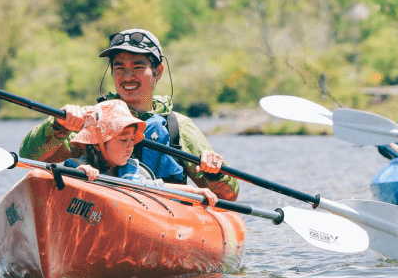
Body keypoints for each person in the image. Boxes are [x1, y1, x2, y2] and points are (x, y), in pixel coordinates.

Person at [19, 28, 237, 199]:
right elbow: (30, 156)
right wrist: (57, 126)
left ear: (158, 71)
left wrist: (212, 170)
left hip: (163, 219)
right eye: (120, 67)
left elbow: (228, 194)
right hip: (100, 211)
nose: (127, 77)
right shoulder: (93, 118)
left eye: (138, 67)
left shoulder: (178, 126)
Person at [61, 100, 159, 185]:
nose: (130, 147)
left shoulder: (133, 169)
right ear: (96, 144)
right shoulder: (75, 167)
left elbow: (159, 187)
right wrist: (78, 176)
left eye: (132, 140)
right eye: (123, 139)